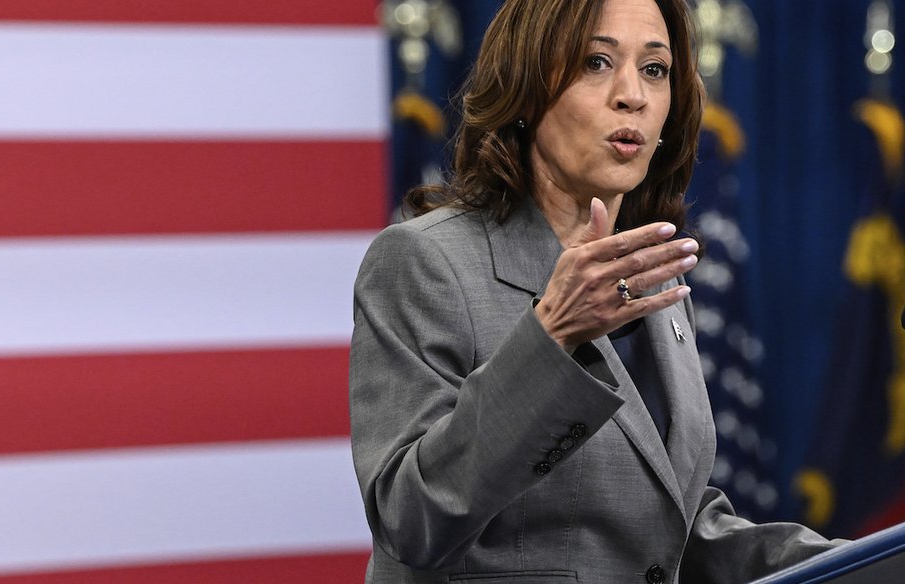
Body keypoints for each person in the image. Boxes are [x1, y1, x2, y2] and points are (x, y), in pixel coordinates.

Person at [349, 0, 842, 582]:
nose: (632, 94)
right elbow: (411, 520)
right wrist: (550, 337)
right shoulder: (423, 262)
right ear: (527, 89)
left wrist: (857, 565)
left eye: (655, 70)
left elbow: (661, 523)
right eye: (596, 62)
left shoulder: (652, 271)